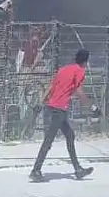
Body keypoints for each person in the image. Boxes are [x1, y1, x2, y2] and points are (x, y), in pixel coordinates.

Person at [29, 48, 96, 183]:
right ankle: (35, 170)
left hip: (52, 106)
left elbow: (51, 86)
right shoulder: (80, 71)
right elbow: (78, 90)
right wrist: (92, 106)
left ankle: (77, 170)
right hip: (59, 108)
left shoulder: (64, 69)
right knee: (48, 140)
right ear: (86, 61)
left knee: (69, 135)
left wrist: (42, 102)